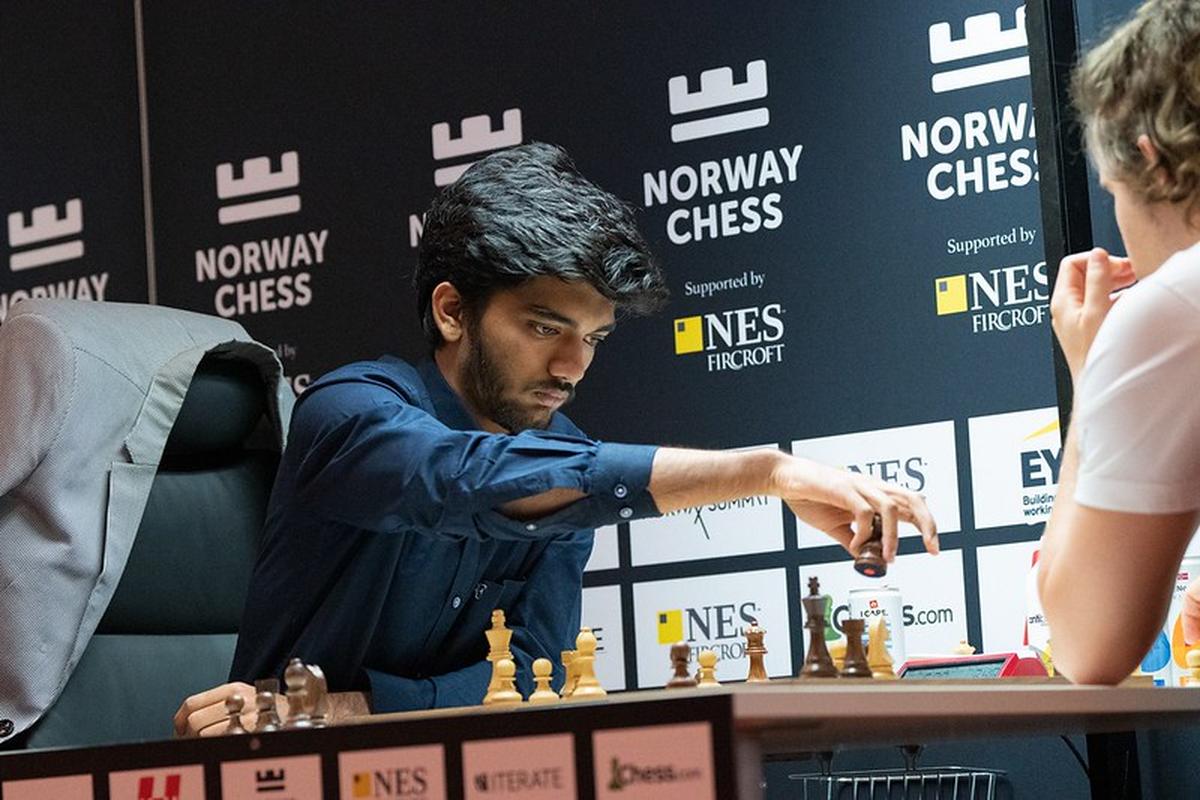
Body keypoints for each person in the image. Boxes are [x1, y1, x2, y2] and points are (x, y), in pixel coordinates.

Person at [175, 143, 938, 735]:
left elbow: (537, 673)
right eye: (545, 327)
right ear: (451, 311)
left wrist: (357, 707)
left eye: (594, 337)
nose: (573, 366)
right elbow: (463, 481)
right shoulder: (349, 414)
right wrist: (766, 472)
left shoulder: (565, 457)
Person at [1040, 0, 1200, 684]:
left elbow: (1085, 645)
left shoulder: (1175, 306)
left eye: (1113, 193)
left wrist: (1091, 372)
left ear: (1152, 162)